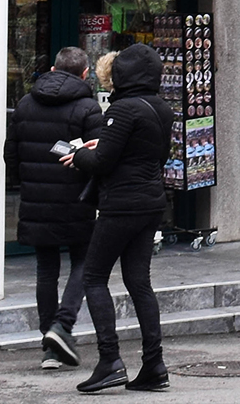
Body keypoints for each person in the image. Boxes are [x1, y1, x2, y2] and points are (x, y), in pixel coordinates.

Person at [61, 42, 171, 393]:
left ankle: (109, 360)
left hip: (121, 204)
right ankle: (154, 364)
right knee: (139, 282)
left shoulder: (122, 109)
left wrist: (78, 154)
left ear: (122, 74)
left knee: (93, 277)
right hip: (152, 202)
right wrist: (102, 145)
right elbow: (154, 154)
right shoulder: (161, 108)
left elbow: (103, 162)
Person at [6, 47, 104, 371]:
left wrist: (25, 184)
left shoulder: (24, 104)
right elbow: (99, 159)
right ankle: (62, 326)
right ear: (85, 74)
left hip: (36, 199)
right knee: (84, 262)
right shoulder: (89, 108)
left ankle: (49, 344)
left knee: (46, 270)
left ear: (51, 68)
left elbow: (12, 155)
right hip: (77, 200)